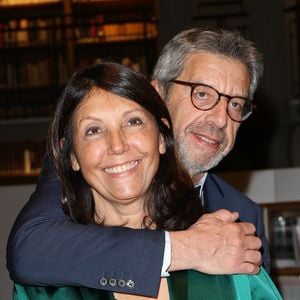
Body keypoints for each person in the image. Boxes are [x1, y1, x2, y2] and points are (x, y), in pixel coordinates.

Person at [7, 28, 265, 298]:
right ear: (157, 93)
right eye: (202, 94)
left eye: (235, 104)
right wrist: (186, 248)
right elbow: (29, 249)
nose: (221, 119)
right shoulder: (79, 169)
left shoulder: (242, 215)